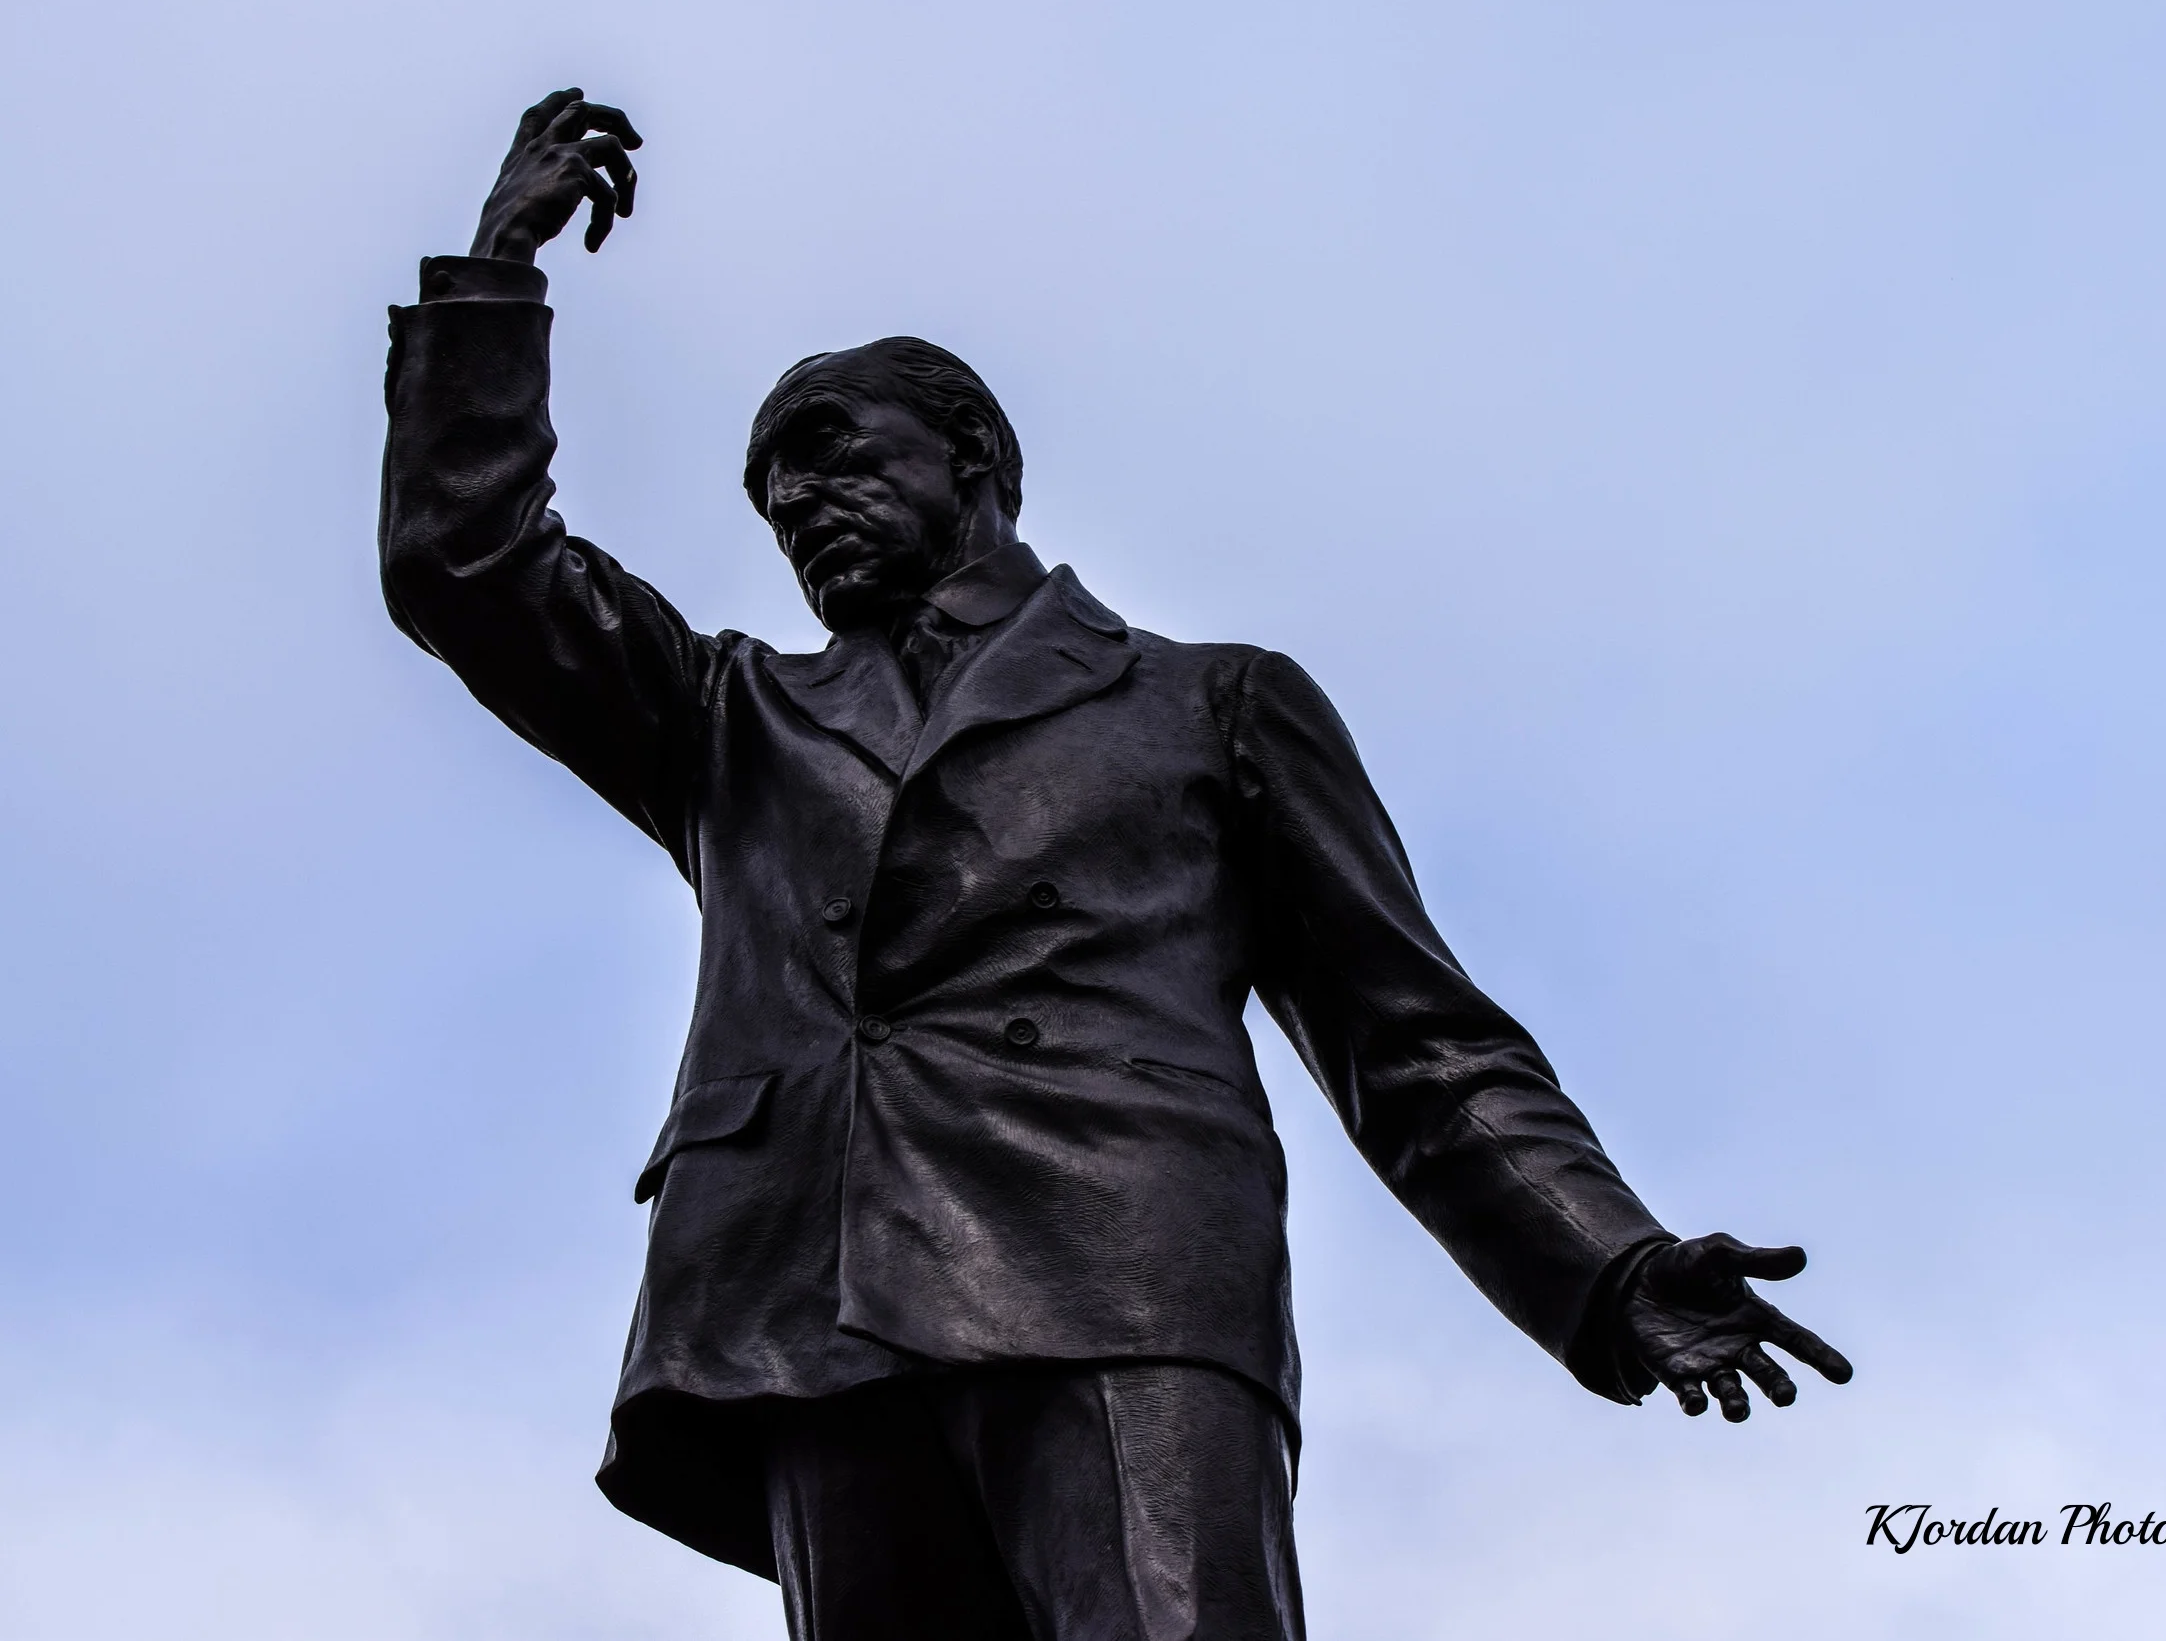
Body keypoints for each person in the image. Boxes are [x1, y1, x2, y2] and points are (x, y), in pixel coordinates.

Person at [381, 88, 1852, 1641]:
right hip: (816, 1299)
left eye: (826, 452)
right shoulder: (734, 720)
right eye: (768, 491)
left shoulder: (1207, 702)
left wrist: (1602, 1261)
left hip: (1124, 1269)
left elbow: (1409, 1038)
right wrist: (496, 273)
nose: (795, 500)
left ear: (973, 454)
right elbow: (465, 567)